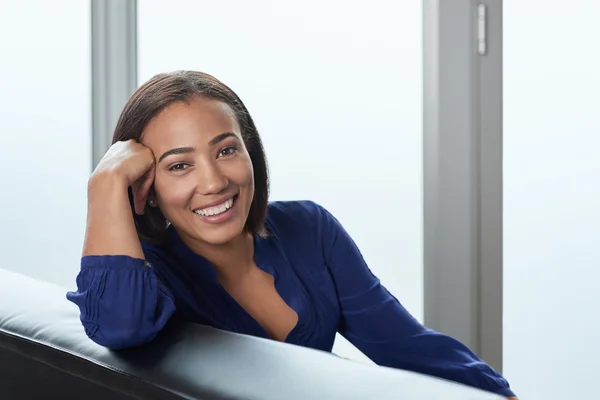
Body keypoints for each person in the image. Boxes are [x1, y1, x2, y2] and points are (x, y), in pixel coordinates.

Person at [66, 70, 516, 398]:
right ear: (148, 187)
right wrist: (104, 187)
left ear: (250, 153)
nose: (214, 182)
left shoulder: (308, 229)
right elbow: (119, 327)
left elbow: (406, 346)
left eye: (226, 151)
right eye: (179, 165)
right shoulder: (148, 275)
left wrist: (500, 394)